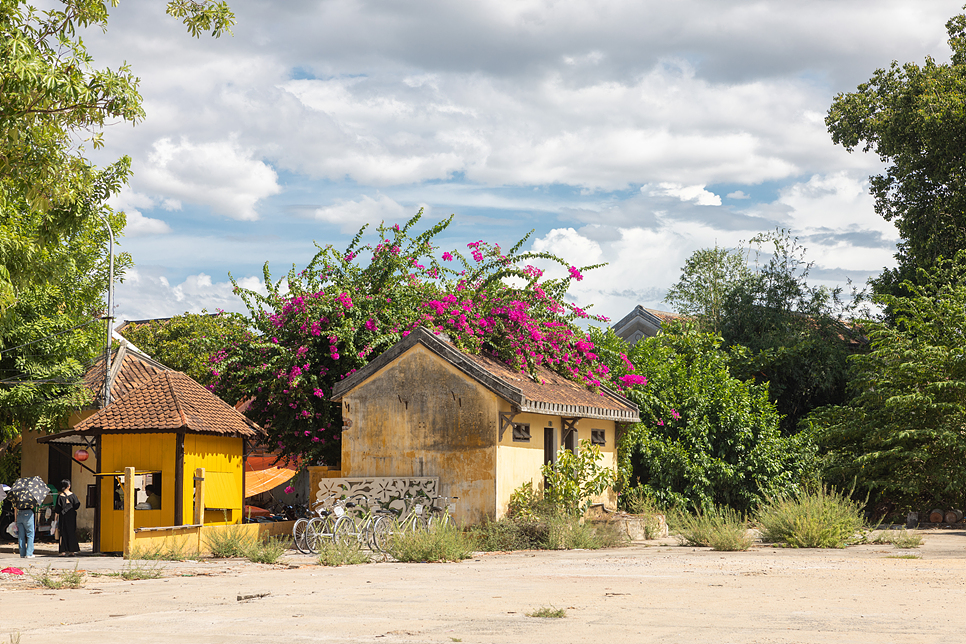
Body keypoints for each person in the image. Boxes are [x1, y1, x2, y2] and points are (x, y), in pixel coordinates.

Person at [53, 479, 81, 556]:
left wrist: (55, 519)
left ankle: (63, 551)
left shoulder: (60, 496)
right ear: (69, 486)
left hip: (63, 516)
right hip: (71, 516)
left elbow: (57, 509)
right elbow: (77, 505)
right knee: (71, 532)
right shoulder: (73, 495)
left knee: (63, 533)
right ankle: (72, 551)